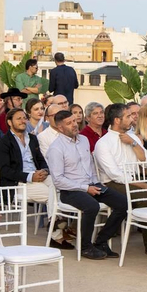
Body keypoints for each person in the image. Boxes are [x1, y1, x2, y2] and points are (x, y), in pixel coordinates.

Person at [41, 108, 116, 258]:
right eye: (69, 123)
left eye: (75, 121)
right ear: (60, 128)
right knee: (92, 207)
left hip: (91, 184)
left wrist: (97, 183)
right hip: (70, 191)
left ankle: (101, 241)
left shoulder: (84, 140)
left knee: (122, 203)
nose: (74, 124)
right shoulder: (56, 148)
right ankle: (85, 247)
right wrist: (85, 188)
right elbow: (58, 180)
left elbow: (90, 166)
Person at [90, 103, 142, 252]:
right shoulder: (104, 143)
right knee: (145, 196)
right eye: (128, 116)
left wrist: (133, 143)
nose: (132, 119)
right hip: (112, 183)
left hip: (135, 178)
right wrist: (141, 185)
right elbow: (114, 174)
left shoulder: (131, 137)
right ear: (117, 120)